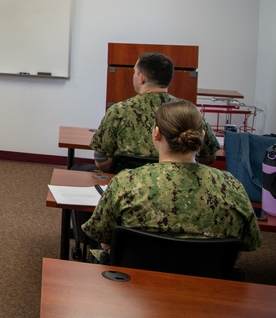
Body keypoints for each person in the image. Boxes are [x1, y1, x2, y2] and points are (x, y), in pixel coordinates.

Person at [82, 99, 262, 257]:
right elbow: (246, 244)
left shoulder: (126, 182)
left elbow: (104, 239)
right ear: (203, 135)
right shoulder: (231, 187)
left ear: (156, 133)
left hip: (134, 286)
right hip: (208, 288)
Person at [89, 52, 219, 172]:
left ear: (141, 77)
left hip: (128, 186)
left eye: (135, 72)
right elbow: (209, 156)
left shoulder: (118, 111)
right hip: (176, 185)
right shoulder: (189, 111)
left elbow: (102, 162)